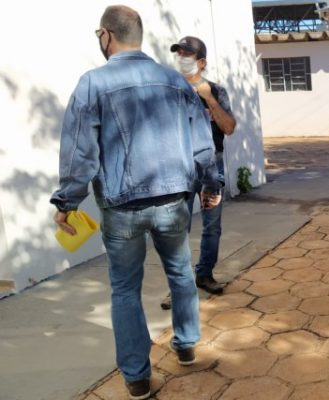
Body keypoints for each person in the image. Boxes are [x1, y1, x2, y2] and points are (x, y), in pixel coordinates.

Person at [50, 6, 223, 399]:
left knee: (125, 288)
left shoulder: (92, 84)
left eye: (99, 34)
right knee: (180, 273)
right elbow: (202, 144)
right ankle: (186, 345)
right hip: (173, 203)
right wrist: (210, 184)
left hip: (121, 206)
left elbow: (81, 153)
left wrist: (67, 200)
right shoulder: (175, 82)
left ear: (107, 36)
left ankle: (137, 376)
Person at [160, 36, 236, 310]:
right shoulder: (168, 91)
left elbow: (229, 128)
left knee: (212, 227)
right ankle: (178, 287)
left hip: (211, 171)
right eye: (178, 53)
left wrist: (208, 99)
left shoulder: (217, 91)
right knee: (177, 230)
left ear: (201, 62)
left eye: (187, 54)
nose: (181, 57)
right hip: (179, 170)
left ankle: (204, 275)